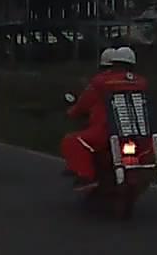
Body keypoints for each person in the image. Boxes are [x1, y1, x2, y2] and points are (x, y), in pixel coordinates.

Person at [60, 45, 148, 186]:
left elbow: (83, 104)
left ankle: (85, 176)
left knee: (71, 141)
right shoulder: (141, 82)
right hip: (140, 132)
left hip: (107, 130)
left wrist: (71, 112)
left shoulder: (101, 82)